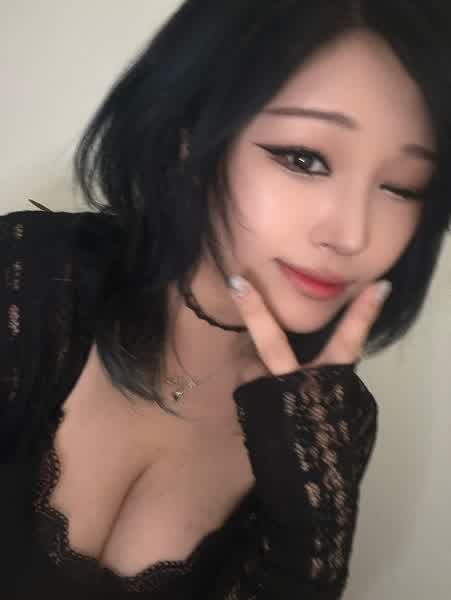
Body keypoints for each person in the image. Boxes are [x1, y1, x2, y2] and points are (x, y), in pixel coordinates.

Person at [1, 0, 451, 596]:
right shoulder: (27, 277)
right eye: (304, 159)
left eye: (402, 186)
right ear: (189, 138)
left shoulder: (332, 425)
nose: (352, 236)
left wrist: (309, 529)